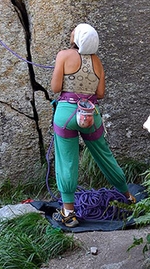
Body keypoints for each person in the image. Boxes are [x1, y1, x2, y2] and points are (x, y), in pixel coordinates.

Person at [51, 23, 135, 228]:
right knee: (104, 155)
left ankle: (68, 212)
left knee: (67, 161)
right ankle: (128, 196)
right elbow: (100, 94)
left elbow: (55, 88)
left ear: (77, 38)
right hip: (89, 113)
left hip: (66, 113)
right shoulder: (98, 62)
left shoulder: (63, 55)